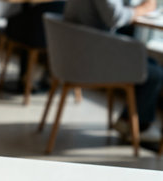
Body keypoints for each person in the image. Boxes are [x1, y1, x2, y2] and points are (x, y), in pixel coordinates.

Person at [64, 0, 163, 142]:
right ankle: (139, 127)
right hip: (90, 59)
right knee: (154, 73)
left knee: (150, 63)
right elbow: (115, 17)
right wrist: (144, 8)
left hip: (74, 53)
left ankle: (126, 121)